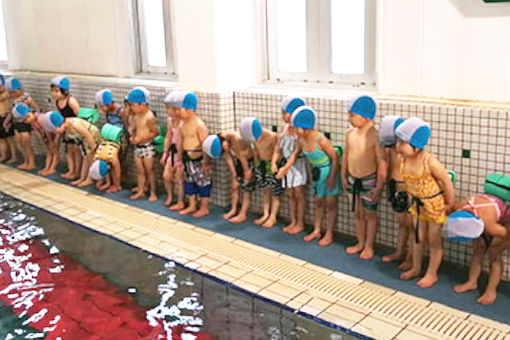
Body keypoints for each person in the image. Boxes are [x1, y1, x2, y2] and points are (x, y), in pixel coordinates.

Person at [395, 117, 455, 288]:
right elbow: (408, 185)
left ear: (417, 144)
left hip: (434, 205)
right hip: (416, 204)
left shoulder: (430, 162)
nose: (398, 146)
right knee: (418, 237)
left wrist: (450, 203)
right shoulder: (404, 159)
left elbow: (446, 181)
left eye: (403, 142)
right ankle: (416, 267)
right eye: (398, 141)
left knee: (433, 239)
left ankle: (431, 273)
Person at [342, 96, 387, 260]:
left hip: (369, 180)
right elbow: (346, 155)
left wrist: (379, 186)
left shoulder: (375, 137)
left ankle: (369, 246)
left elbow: (382, 162)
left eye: (352, 114)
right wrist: (343, 175)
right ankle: (360, 242)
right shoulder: (350, 134)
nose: (349, 118)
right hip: (353, 178)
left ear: (365, 116)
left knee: (370, 215)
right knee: (358, 213)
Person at [291, 106, 341, 246]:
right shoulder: (301, 140)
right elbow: (296, 155)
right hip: (318, 174)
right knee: (318, 203)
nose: (295, 130)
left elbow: (334, 158)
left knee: (330, 205)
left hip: (328, 171)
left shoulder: (321, 139)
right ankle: (317, 230)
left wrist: (331, 176)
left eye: (296, 127)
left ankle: (329, 233)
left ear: (305, 127)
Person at [450, 195, 510, 304]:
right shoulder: (458, 208)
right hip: (488, 213)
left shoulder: (490, 226)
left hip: (506, 222)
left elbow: (507, 235)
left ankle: (491, 291)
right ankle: (472, 282)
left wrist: (497, 242)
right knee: (478, 248)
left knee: (494, 253)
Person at [379, 116, 414, 270]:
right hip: (395, 187)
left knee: (411, 225)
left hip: (408, 190)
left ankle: (411, 258)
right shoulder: (389, 149)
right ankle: (399, 252)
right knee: (401, 223)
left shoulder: (408, 151)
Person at [271, 96, 308, 234]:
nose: (282, 116)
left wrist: (284, 169)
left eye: (284, 113)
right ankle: (293, 220)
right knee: (290, 194)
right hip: (286, 165)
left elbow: (295, 154)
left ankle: (300, 222)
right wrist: (274, 161)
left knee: (299, 193)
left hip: (297, 165)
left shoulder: (300, 131)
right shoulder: (284, 128)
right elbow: (277, 148)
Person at [203, 131, 254, 223]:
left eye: (224, 148)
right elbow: (228, 158)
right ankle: (233, 210)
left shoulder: (235, 138)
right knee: (234, 186)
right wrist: (234, 174)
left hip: (248, 162)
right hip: (239, 162)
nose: (226, 149)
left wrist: (247, 171)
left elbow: (242, 156)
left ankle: (243, 214)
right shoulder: (219, 142)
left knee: (246, 189)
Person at [240, 117, 282, 228]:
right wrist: (254, 167)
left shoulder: (272, 136)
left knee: (275, 194)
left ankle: (273, 217)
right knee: (264, 192)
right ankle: (265, 214)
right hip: (261, 166)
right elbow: (256, 151)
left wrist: (274, 164)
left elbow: (277, 152)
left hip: (271, 167)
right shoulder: (253, 138)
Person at [176, 91, 211, 218]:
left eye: (181, 109)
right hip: (187, 159)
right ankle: (192, 205)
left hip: (199, 159)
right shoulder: (182, 123)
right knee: (189, 182)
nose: (179, 112)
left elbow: (206, 145)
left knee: (203, 183)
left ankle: (204, 207)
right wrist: (179, 158)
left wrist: (206, 162)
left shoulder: (199, 125)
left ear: (190, 109)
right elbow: (180, 142)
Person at [126, 87, 159, 202]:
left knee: (149, 170)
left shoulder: (149, 117)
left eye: (132, 105)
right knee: (140, 170)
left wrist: (141, 138)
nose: (131, 108)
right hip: (138, 146)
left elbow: (155, 132)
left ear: (142, 104)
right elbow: (135, 129)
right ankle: (141, 190)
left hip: (147, 146)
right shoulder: (136, 115)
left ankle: (153, 192)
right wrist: (133, 137)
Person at [54, 115, 101, 187]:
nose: (56, 131)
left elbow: (88, 135)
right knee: (85, 158)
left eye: (57, 128)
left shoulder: (75, 125)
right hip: (84, 139)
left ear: (62, 124)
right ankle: (82, 178)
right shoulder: (67, 125)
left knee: (90, 158)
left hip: (92, 136)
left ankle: (89, 179)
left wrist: (93, 148)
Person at [50, 76, 81, 180]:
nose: (54, 93)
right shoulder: (58, 102)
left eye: (57, 91)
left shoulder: (71, 101)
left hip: (75, 128)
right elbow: (62, 117)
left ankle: (77, 172)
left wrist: (74, 129)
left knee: (76, 150)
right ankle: (71, 171)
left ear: (65, 91)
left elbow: (79, 116)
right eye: (53, 91)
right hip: (67, 128)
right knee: (68, 150)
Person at [7, 77, 41, 170]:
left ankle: (31, 162)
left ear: (20, 88)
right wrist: (7, 121)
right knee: (21, 142)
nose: (14, 94)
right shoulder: (13, 100)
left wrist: (35, 120)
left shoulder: (26, 98)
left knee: (26, 143)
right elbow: (11, 112)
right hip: (17, 123)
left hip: (26, 123)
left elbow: (37, 109)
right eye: (11, 92)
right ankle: (26, 161)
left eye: (15, 91)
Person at [79, 123, 123, 192]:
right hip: (105, 141)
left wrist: (117, 186)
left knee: (114, 169)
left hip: (116, 140)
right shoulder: (96, 157)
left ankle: (116, 185)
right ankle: (106, 183)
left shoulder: (112, 158)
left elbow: (118, 172)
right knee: (105, 168)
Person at [160, 91, 185, 210]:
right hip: (173, 152)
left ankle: (180, 201)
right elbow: (168, 137)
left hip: (182, 154)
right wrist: (165, 153)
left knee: (179, 179)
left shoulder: (184, 122)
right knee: (166, 176)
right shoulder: (171, 121)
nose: (168, 112)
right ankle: (170, 195)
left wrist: (181, 157)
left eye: (169, 109)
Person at [23, 111, 62, 175]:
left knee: (55, 150)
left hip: (54, 131)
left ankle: (52, 168)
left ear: (32, 114)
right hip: (47, 133)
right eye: (26, 120)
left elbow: (47, 130)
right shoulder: (32, 122)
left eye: (28, 117)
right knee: (49, 151)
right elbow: (38, 132)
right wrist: (43, 138)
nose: (27, 119)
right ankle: (47, 167)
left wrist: (52, 140)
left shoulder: (40, 118)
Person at [0, 75, 17, 164]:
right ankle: (4, 155)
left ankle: (13, 156)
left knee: (10, 138)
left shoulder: (6, 94)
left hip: (6, 117)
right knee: (1, 139)